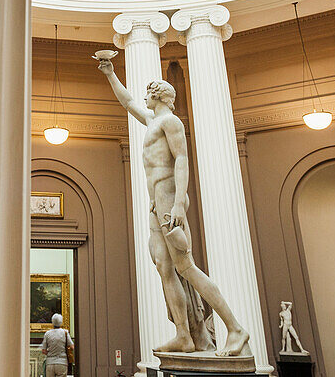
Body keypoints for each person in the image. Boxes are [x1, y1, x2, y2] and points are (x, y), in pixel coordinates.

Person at [97, 59, 251, 357]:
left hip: (170, 199)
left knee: (186, 267)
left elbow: (181, 159)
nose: (143, 96)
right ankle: (184, 335)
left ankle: (235, 328)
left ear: (158, 96)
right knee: (163, 266)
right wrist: (111, 74)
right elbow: (128, 102)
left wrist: (180, 202)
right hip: (156, 202)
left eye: (148, 92)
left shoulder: (170, 122)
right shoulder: (153, 121)